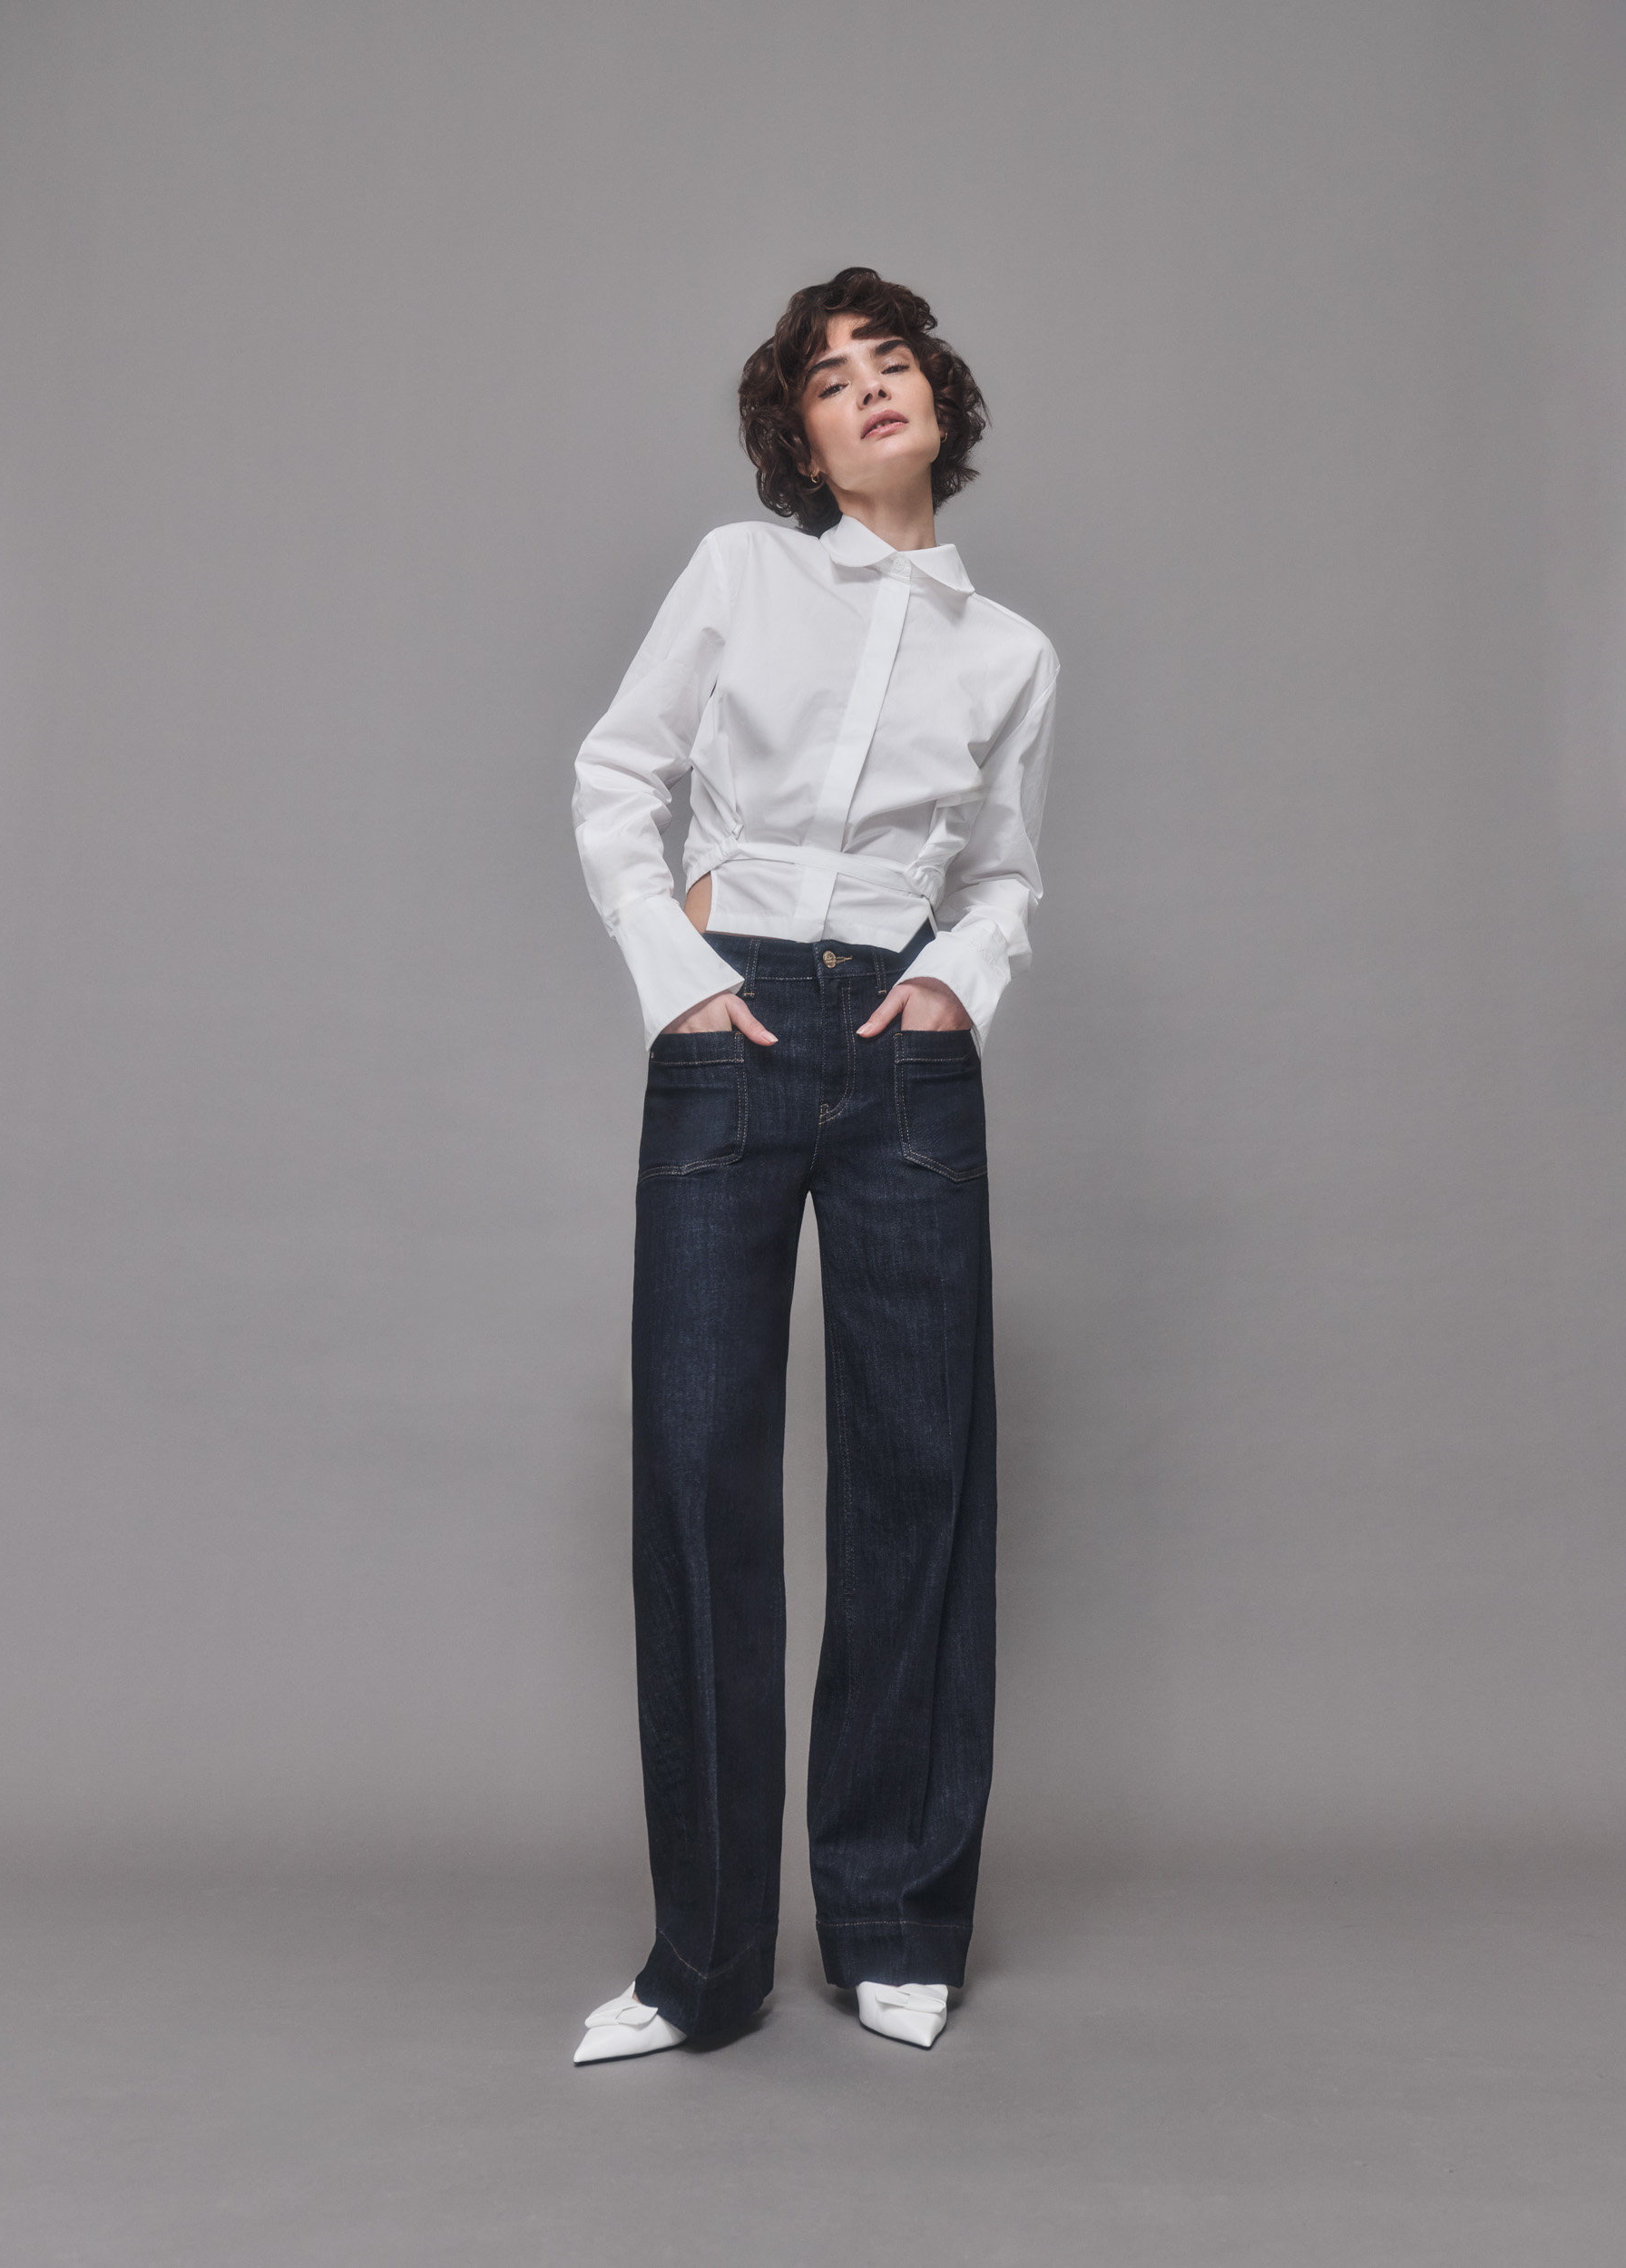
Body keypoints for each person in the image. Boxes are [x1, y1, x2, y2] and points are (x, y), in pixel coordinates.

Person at [569, 268, 1057, 2061]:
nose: (866, 388)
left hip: (904, 1046)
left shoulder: (1010, 655)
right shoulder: (736, 574)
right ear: (802, 438)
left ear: (938, 395)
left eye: (889, 359)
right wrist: (681, 979)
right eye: (828, 379)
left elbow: (1002, 875)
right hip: (735, 1022)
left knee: (917, 1469)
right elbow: (616, 779)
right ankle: (700, 1962)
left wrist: (954, 986)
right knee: (700, 1467)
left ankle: (894, 1918)